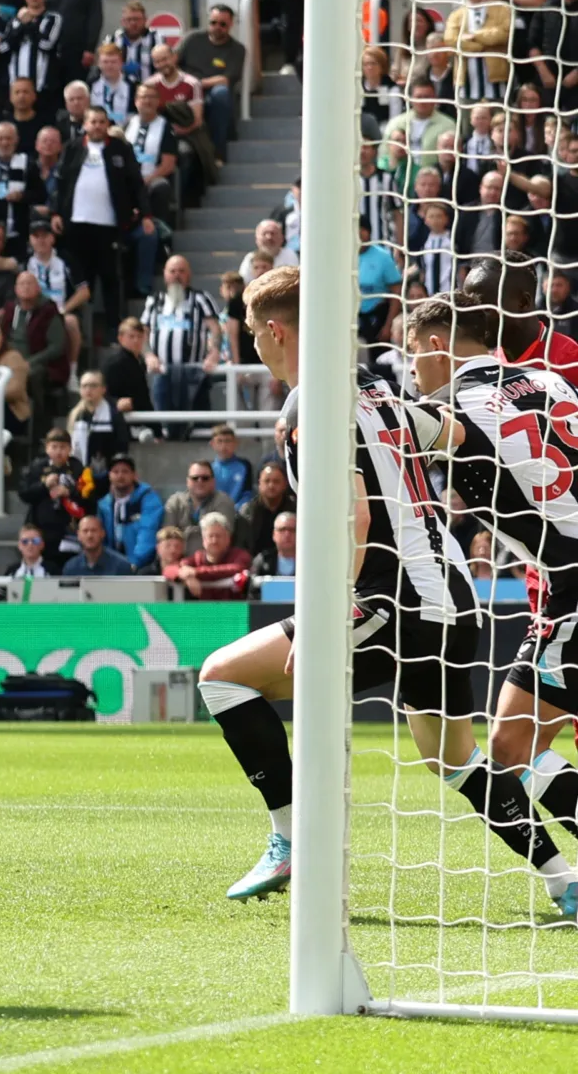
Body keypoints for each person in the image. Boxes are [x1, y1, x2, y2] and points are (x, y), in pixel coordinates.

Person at [196, 272, 572, 913]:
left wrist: (325, 611)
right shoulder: (381, 388)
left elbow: (357, 516)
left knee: (222, 678)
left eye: (255, 332)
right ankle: (564, 877)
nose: (254, 343)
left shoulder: (307, 405)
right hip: (453, 595)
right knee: (456, 760)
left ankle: (292, 839)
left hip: (390, 597)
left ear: (276, 330)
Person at [399, 288, 578, 913]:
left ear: (438, 345)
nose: (411, 368)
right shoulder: (550, 382)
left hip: (572, 582)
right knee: (513, 742)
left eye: (412, 353)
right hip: (566, 582)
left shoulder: (447, 407)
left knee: (509, 748)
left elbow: (406, 434)